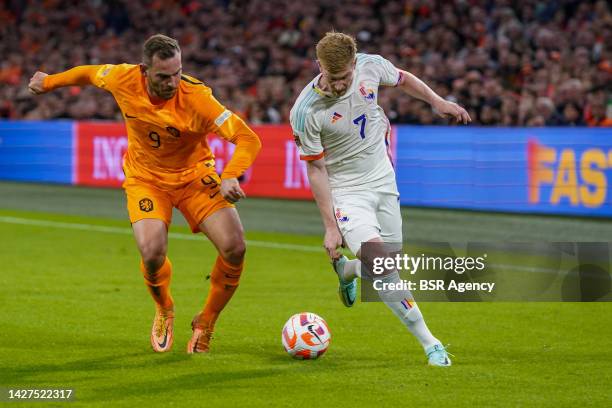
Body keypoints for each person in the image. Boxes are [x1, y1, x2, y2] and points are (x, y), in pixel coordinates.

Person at [28, 34, 261, 354]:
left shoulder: (198, 98)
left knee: (235, 247)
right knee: (152, 253)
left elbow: (248, 138)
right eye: (164, 76)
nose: (173, 82)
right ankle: (165, 308)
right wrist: (50, 81)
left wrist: (230, 174)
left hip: (195, 177)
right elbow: (87, 73)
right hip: (146, 179)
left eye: (177, 73)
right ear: (144, 71)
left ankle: (205, 321)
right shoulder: (122, 77)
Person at [290, 32, 470, 366]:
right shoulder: (305, 110)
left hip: (383, 179)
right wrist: (331, 227)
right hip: (346, 190)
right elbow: (316, 170)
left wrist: (437, 102)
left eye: (344, 77)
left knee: (389, 261)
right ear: (319, 67)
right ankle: (431, 343)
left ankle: (347, 272)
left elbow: (403, 79)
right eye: (332, 78)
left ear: (354, 64)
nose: (339, 85)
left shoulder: (371, 67)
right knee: (384, 267)